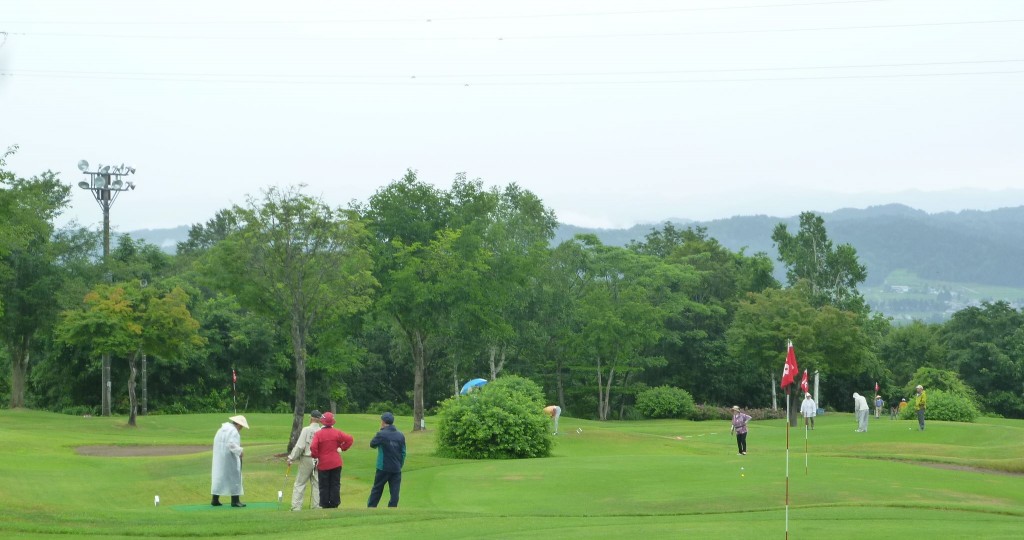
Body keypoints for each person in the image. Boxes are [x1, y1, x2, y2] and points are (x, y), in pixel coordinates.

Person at [309, 412, 354, 509]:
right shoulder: (337, 432)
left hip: (323, 463)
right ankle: (334, 503)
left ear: (322, 421)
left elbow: (313, 447)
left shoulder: (318, 434)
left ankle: (325, 504)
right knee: (335, 483)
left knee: (324, 485)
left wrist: (315, 456)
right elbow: (349, 439)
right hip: (336, 462)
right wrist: (342, 448)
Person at [367, 411, 407, 508]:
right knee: (395, 491)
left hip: (383, 467)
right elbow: (403, 452)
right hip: (396, 467)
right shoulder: (400, 435)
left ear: (383, 422)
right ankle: (392, 508)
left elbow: (372, 444)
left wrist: (380, 431)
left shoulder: (381, 434)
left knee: (377, 488)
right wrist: (400, 464)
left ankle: (371, 507)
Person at [286, 410, 322, 511]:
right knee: (317, 484)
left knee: (300, 483)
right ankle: (317, 506)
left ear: (311, 418)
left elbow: (300, 446)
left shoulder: (306, 429)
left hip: (307, 458)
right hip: (318, 460)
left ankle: (296, 507)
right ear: (319, 420)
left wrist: (291, 458)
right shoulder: (321, 431)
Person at [211, 415, 249, 508]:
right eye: (242, 426)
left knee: (219, 476)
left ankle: (215, 499)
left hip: (219, 457)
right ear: (239, 425)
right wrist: (240, 451)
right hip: (230, 457)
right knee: (235, 476)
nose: (241, 428)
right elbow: (231, 444)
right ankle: (235, 501)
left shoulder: (221, 429)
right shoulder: (233, 431)